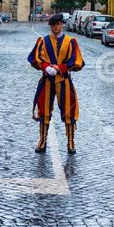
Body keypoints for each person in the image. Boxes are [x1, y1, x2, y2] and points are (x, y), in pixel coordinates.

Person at [28, 14, 85, 154]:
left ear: (62, 25)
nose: (56, 27)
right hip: (47, 80)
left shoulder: (70, 41)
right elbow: (37, 58)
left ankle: (71, 142)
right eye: (53, 25)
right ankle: (42, 140)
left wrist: (60, 68)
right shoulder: (43, 41)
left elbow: (75, 61)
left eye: (58, 24)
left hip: (64, 81)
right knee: (44, 110)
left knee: (68, 111)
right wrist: (46, 67)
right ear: (51, 26)